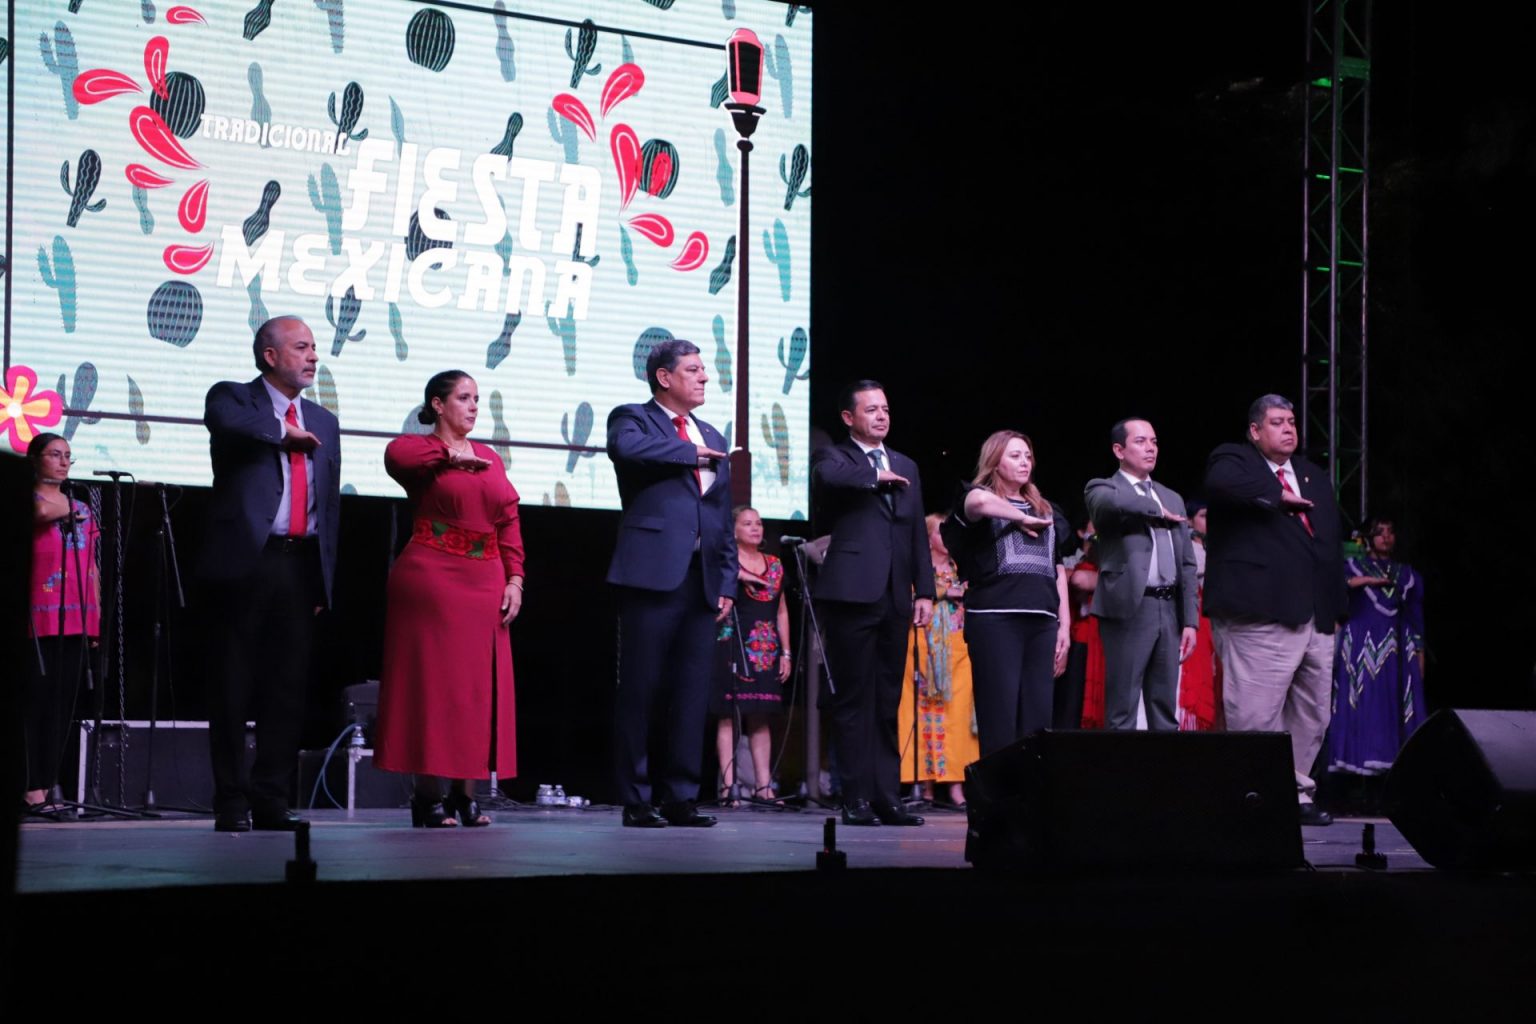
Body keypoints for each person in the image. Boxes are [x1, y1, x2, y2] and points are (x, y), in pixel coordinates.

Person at [200, 316, 341, 832]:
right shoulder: (234, 398)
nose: (313, 356)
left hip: (299, 564)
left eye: (314, 347)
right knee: (232, 685)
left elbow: (329, 503)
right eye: (302, 347)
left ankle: (271, 800)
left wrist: (323, 577)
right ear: (270, 356)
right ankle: (231, 801)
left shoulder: (324, 420)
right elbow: (227, 424)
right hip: (246, 562)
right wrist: (284, 434)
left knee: (286, 688)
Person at [374, 371, 525, 828]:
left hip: (485, 580)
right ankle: (427, 796)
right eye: (464, 398)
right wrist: (449, 457)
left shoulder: (490, 457)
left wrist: (515, 578)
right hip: (432, 577)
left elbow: (508, 519)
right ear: (438, 406)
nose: (474, 406)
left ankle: (465, 794)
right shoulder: (422, 452)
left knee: (476, 690)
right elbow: (396, 456)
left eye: (477, 398)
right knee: (434, 688)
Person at [607, 339, 736, 828]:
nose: (704, 377)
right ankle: (636, 799)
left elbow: (720, 514)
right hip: (651, 575)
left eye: (704, 370)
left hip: (702, 580)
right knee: (641, 690)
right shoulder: (634, 418)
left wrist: (727, 580)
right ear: (664, 377)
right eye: (694, 369)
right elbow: (625, 448)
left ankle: (680, 796)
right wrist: (689, 452)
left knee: (691, 693)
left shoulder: (711, 433)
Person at [1203, 394, 1346, 827]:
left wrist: (1335, 607)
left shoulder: (1312, 474)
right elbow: (1221, 484)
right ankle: (1251, 796)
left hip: (1316, 615)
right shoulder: (1234, 461)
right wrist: (1278, 496)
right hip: (1260, 614)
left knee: (1313, 713)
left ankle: (1294, 794)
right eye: (1277, 422)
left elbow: (1328, 544)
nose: (1288, 428)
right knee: (1256, 714)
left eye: (1292, 421)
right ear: (1255, 431)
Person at [811, 380, 935, 827]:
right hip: (851, 591)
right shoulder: (836, 457)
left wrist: (925, 590)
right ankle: (855, 796)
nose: (882, 416)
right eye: (871, 410)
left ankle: (887, 796)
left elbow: (917, 532)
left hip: (895, 594)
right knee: (852, 698)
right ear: (849, 418)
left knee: (887, 700)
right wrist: (874, 475)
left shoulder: (906, 464)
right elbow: (828, 478)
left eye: (885, 409)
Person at [942, 431, 1070, 756]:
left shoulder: (1047, 510)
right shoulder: (979, 501)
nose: (1024, 462)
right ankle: (998, 790)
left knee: (1038, 724)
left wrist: (1065, 626)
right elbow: (979, 501)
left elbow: (1057, 568)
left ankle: (1032, 788)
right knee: (998, 719)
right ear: (995, 462)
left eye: (1028, 456)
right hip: (995, 620)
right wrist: (1022, 516)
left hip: (1042, 621)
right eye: (1015, 456)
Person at [1083, 418, 1199, 731]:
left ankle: (1164, 764)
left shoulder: (1171, 497)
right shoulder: (1103, 488)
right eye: (1140, 441)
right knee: (1122, 708)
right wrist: (1154, 509)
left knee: (1165, 708)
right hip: (1130, 609)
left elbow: (1188, 564)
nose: (1151, 448)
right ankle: (1120, 765)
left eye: (1154, 441)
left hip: (1169, 609)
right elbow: (1112, 504)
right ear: (1118, 450)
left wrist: (1190, 620)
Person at [23, 433, 99, 821]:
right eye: (55, 454)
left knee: (61, 708)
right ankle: (30, 788)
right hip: (35, 621)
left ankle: (46, 783)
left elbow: (91, 566)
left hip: (74, 621)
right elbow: (39, 514)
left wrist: (95, 620)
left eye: (68, 455)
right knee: (32, 704)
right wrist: (67, 510)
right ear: (35, 459)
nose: (64, 462)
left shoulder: (82, 508)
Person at [1328, 515, 1427, 774]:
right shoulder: (1353, 566)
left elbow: (1415, 617)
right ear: (1368, 538)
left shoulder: (1406, 574)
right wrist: (1369, 581)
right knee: (1363, 704)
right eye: (1380, 532)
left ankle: (1393, 767)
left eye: (1390, 532)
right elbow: (1337, 587)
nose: (1386, 537)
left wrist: (1419, 653)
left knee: (1392, 705)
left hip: (1397, 646)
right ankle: (1357, 769)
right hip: (1362, 643)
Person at [896, 513, 978, 809]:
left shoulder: (962, 566)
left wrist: (962, 592)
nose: (947, 538)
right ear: (928, 538)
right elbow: (904, 598)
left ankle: (956, 785)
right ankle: (925, 784)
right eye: (941, 532)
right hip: (924, 648)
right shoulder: (916, 568)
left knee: (958, 717)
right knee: (924, 713)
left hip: (959, 650)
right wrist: (944, 592)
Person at [713, 506, 792, 807]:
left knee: (761, 715)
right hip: (733, 643)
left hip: (766, 648)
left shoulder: (775, 564)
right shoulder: (726, 561)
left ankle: (763, 787)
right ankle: (728, 787)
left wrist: (786, 652)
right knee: (728, 715)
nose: (756, 528)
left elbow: (782, 610)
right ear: (733, 530)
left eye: (758, 523)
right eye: (747, 524)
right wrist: (742, 573)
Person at [1176, 501, 1223, 731]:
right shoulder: (1188, 550)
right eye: (1204, 516)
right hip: (1193, 625)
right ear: (1189, 521)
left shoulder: (1211, 549)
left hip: (1213, 628)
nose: (1210, 522)